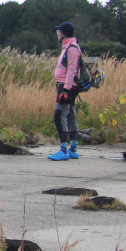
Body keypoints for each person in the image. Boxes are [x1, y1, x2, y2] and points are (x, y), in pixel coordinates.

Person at [49, 22, 83, 161]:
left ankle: (64, 149)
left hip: (66, 86)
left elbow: (72, 70)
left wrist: (66, 90)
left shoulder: (72, 48)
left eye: (59, 31)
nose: (57, 33)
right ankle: (73, 148)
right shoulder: (67, 47)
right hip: (65, 85)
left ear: (63, 33)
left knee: (59, 115)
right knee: (70, 115)